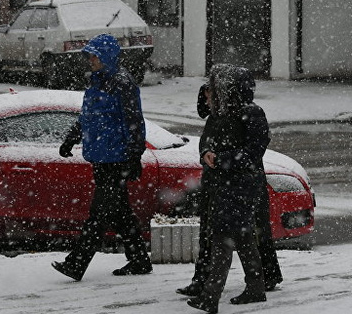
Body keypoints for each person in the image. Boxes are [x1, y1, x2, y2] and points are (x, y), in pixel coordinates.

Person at [51, 33, 152, 281]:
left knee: (99, 214)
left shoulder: (122, 83)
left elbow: (134, 122)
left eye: (95, 55)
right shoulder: (96, 82)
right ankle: (139, 260)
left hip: (116, 159)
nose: (91, 60)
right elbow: (88, 117)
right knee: (120, 212)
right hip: (100, 157)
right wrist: (72, 138)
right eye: (89, 55)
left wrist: (134, 155)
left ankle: (77, 262)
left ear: (107, 56)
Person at [177, 71, 283, 298]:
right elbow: (206, 139)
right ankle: (208, 283)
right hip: (218, 182)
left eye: (213, 91)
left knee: (246, 235)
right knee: (220, 234)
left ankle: (256, 279)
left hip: (241, 183)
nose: (209, 96)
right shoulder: (219, 113)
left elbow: (254, 150)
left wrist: (222, 159)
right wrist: (206, 153)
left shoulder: (251, 113)